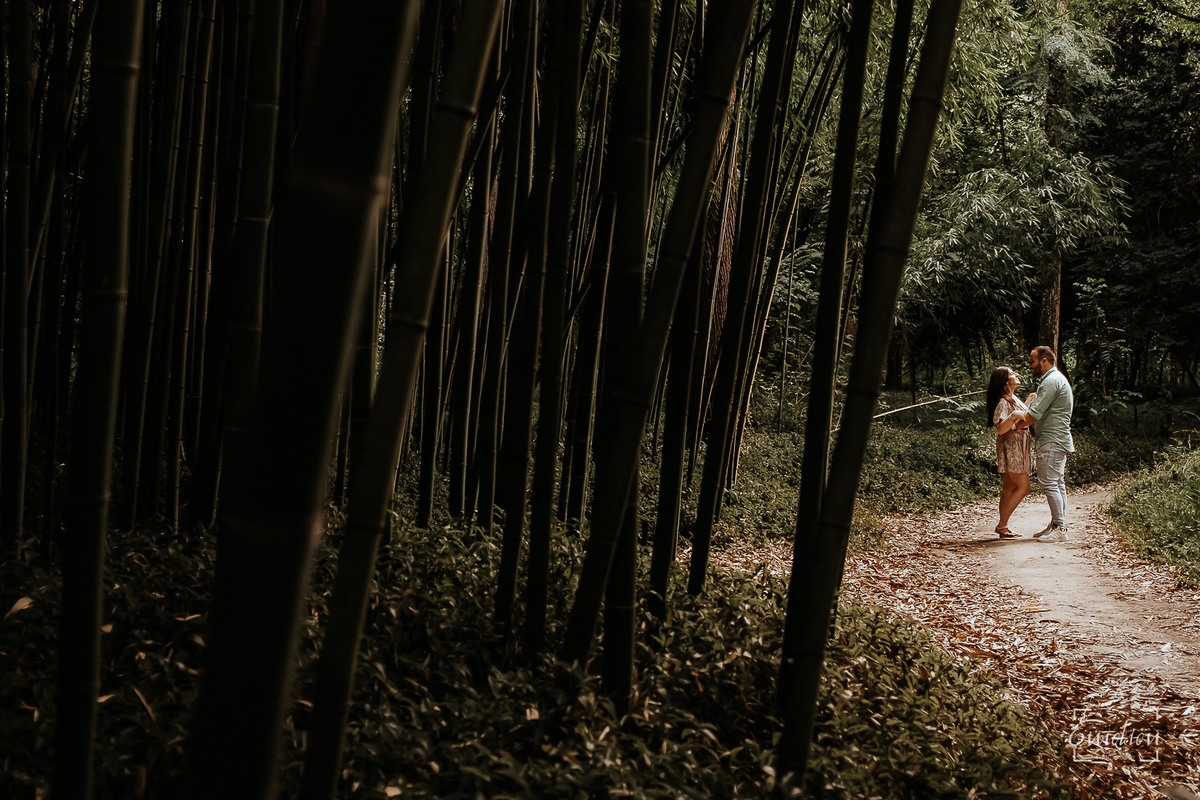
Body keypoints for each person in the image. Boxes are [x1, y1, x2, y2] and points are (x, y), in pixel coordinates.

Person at [1018, 345, 1074, 542]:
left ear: (1044, 360)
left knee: (1050, 483)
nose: (1030, 365)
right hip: (1056, 439)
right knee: (1057, 483)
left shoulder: (1051, 381)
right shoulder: (1055, 379)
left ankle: (1060, 528)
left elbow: (1033, 415)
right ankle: (1057, 524)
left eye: (1032, 361)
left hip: (1052, 439)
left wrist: (1015, 424)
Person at [986, 366, 1032, 538]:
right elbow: (1001, 428)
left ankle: (1003, 527)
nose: (1016, 375)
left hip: (1019, 443)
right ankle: (1001, 525)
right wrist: (1013, 417)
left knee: (1009, 487)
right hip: (1013, 446)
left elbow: (1021, 416)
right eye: (1012, 374)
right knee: (1023, 488)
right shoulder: (1003, 401)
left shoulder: (1013, 398)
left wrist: (1027, 403)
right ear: (1005, 381)